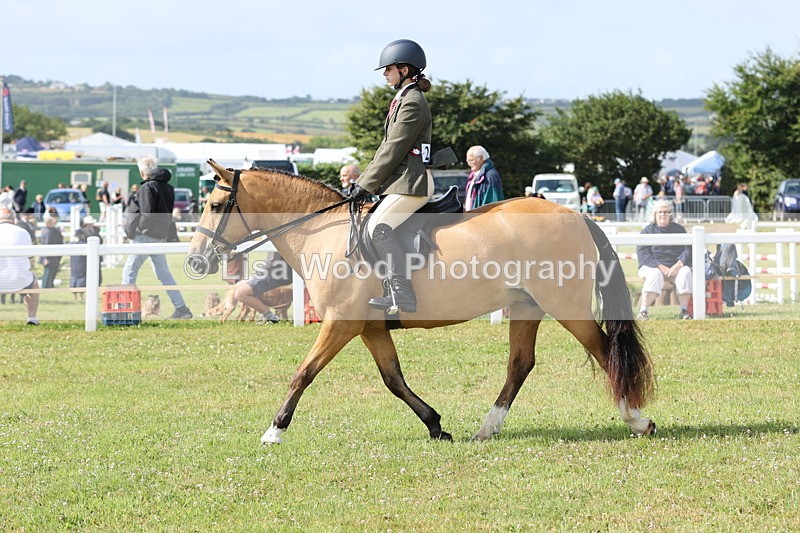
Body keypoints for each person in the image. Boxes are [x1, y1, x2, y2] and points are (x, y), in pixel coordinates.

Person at [348, 39, 433, 314]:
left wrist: (364, 185)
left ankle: (402, 293)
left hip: (412, 182)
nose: (385, 74)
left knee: (378, 227)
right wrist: (364, 183)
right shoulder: (403, 99)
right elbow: (386, 148)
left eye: (388, 69)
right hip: (402, 182)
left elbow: (393, 149)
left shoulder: (413, 103)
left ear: (405, 70)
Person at [122, 155, 193, 319]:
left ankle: (125, 310)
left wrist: (136, 231)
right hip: (160, 235)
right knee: (164, 274)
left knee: (129, 271)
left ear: (141, 171)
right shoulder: (168, 187)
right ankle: (181, 308)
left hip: (145, 236)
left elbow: (147, 214)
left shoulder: (147, 188)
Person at [636, 199, 693, 320]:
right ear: (655, 214)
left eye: (666, 212)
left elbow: (688, 250)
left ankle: (684, 311)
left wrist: (678, 265)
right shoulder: (647, 231)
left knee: (686, 272)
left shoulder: (679, 230)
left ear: (670, 214)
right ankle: (643, 312)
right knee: (655, 274)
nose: (663, 214)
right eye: (660, 212)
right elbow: (643, 254)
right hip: (652, 267)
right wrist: (661, 267)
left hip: (675, 267)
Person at [0, 208, 40, 324]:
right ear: (13, 219)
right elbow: (30, 257)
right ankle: (32, 318)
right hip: (20, 280)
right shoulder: (22, 232)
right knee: (34, 285)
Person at [233, 253, 294, 324]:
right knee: (241, 288)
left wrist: (257, 273)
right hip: (277, 274)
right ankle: (267, 316)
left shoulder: (277, 243)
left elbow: (272, 262)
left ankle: (270, 318)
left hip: (276, 276)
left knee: (241, 293)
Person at [70, 216, 104, 299]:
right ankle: (78, 294)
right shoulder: (80, 233)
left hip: (94, 257)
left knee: (95, 274)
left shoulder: (95, 231)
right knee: (80, 275)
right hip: (81, 259)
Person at [464, 145, 504, 211]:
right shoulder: (474, 176)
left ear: (482, 158)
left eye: (471, 160)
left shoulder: (490, 176)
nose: (469, 163)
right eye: (467, 160)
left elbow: (492, 204)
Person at [39, 216, 64, 289]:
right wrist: (46, 257)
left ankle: (49, 285)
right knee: (48, 272)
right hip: (49, 256)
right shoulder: (47, 232)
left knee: (52, 271)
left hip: (53, 255)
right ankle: (45, 286)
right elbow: (46, 244)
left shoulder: (51, 230)